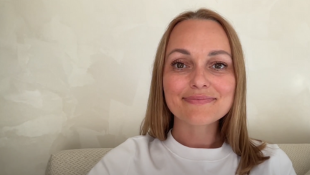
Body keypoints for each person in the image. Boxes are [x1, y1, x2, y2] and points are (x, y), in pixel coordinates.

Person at [88, 8, 296, 175]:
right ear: (161, 78)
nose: (198, 80)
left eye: (218, 65)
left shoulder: (271, 165)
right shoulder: (125, 161)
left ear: (238, 79)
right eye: (180, 64)